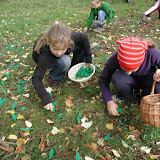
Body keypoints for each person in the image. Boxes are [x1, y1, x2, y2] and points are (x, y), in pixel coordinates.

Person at [32, 23, 92, 111]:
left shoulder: (69, 38)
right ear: (48, 41)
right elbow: (36, 78)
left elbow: (84, 37)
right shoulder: (45, 55)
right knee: (65, 60)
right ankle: (54, 78)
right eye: (55, 49)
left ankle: (75, 66)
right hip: (44, 61)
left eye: (63, 49)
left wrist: (88, 58)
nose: (59, 53)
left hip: (56, 48)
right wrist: (45, 97)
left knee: (79, 45)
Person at [98, 37, 160, 116]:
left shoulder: (152, 53)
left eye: (132, 69)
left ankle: (145, 98)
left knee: (158, 85)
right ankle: (125, 96)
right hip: (129, 80)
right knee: (117, 77)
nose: (128, 73)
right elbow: (103, 79)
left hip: (148, 80)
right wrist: (108, 100)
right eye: (125, 69)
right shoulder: (116, 57)